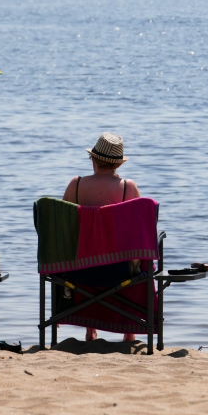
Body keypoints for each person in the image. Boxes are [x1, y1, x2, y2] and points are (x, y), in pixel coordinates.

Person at [62, 132, 141, 343]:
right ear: (118, 164)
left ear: (93, 159)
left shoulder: (75, 186)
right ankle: (129, 331)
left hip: (79, 271)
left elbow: (62, 228)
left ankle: (90, 329)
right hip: (119, 272)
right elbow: (140, 232)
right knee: (137, 255)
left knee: (88, 246)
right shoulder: (128, 189)